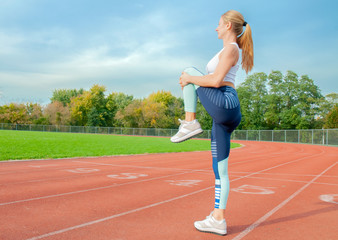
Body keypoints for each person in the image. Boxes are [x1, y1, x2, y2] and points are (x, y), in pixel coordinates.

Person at [170, 10, 254, 235]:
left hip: (226, 102)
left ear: (228, 26)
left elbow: (216, 81)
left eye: (218, 24)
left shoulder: (231, 48)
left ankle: (190, 123)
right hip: (224, 115)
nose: (215, 28)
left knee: (188, 70)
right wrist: (192, 81)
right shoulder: (228, 49)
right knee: (220, 170)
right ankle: (218, 218)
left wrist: (189, 79)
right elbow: (212, 80)